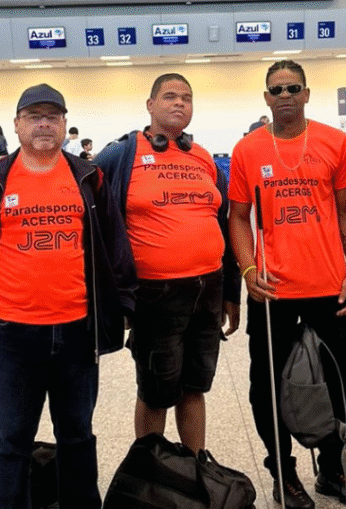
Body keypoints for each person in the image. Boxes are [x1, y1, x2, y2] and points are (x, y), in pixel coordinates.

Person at [0, 83, 137, 509]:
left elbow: (114, 243)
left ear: (64, 125)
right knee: (10, 439)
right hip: (14, 331)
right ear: (16, 124)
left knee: (77, 433)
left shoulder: (87, 178)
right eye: (33, 116)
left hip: (76, 329)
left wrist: (123, 304)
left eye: (52, 116)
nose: (43, 124)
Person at [228, 59, 346, 509]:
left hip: (328, 286)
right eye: (276, 90)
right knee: (267, 386)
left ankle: (333, 468)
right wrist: (248, 270)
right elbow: (237, 218)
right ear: (266, 98)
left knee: (336, 382)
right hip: (273, 291)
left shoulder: (333, 143)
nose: (285, 96)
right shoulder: (248, 149)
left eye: (293, 88)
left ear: (307, 94)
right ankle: (283, 473)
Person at [96, 73, 240, 453]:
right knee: (156, 391)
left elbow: (225, 224)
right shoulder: (121, 154)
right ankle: (151, 471)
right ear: (150, 105)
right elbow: (93, 216)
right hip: (154, 294)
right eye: (170, 96)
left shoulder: (203, 157)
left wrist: (232, 291)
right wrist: (115, 297)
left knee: (195, 387)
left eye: (186, 98)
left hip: (208, 289)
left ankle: (194, 467)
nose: (179, 103)